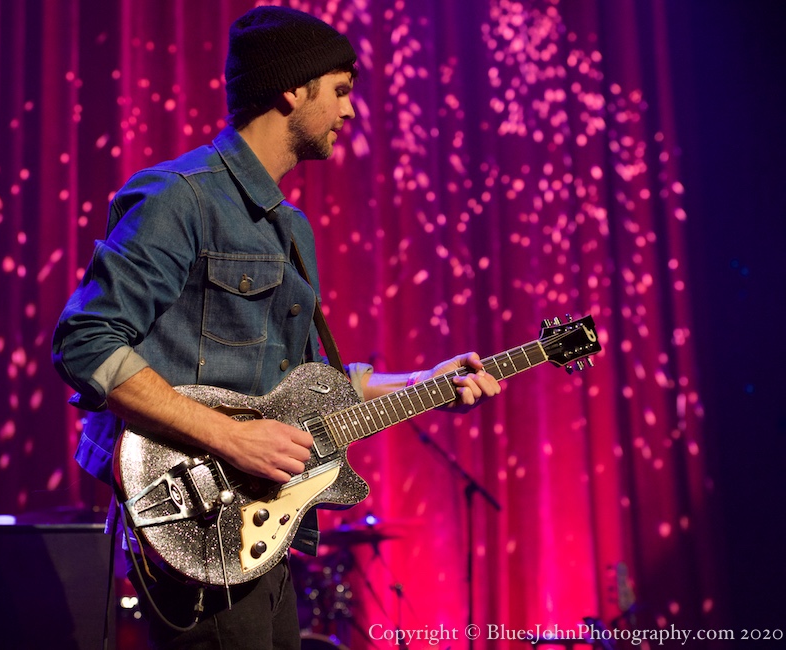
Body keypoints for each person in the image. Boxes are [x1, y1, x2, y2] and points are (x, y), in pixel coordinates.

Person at [51, 6, 501, 649]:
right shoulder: (179, 196)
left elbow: (299, 389)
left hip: (262, 532)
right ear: (293, 89)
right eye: (341, 91)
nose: (350, 113)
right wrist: (232, 439)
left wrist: (424, 381)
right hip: (196, 524)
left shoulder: (289, 228)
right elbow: (85, 342)